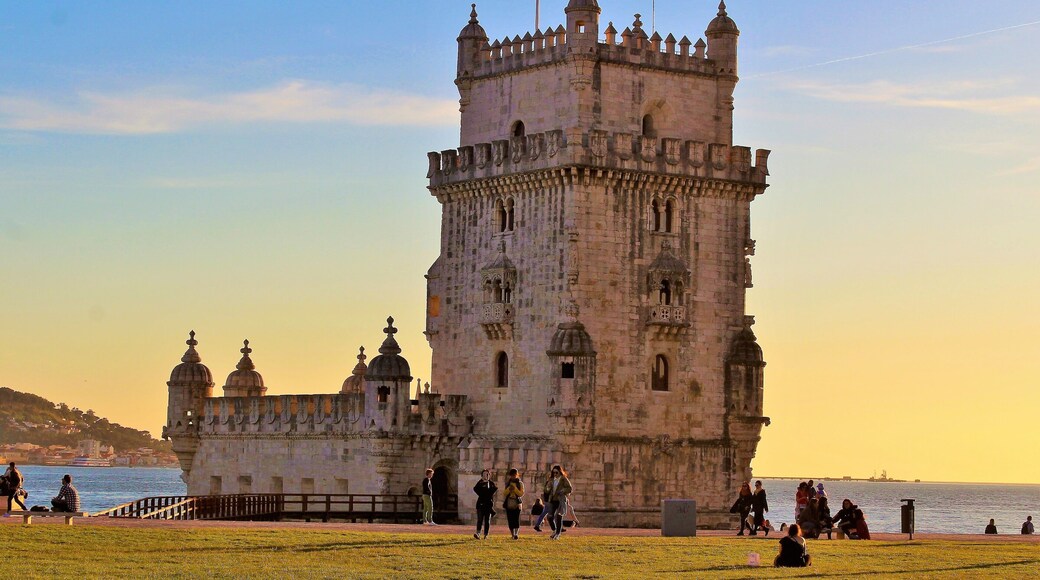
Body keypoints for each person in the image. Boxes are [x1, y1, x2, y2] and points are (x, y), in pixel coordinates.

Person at [547, 464, 572, 540]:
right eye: (553, 472)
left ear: (560, 472)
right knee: (550, 516)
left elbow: (569, 488)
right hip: (553, 500)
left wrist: (563, 491)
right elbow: (548, 488)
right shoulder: (551, 480)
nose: (555, 474)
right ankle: (555, 530)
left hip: (560, 499)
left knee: (559, 516)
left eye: (556, 472)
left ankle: (558, 534)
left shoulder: (563, 479)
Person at [472, 468, 497, 539]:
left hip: (488, 504)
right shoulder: (480, 483)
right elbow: (476, 489)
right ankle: (478, 533)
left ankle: (486, 534)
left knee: (487, 520)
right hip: (481, 504)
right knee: (480, 519)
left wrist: (487, 482)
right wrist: (482, 481)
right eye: (484, 474)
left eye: (487, 474)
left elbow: (493, 490)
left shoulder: (491, 484)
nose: (486, 475)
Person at [502, 468, 525, 540]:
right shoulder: (508, 483)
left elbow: (521, 494)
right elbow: (504, 493)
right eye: (512, 475)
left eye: (514, 475)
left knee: (516, 519)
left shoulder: (520, 483)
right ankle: (512, 534)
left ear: (517, 475)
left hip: (517, 502)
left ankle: (516, 534)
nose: (513, 477)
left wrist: (515, 489)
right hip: (509, 502)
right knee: (510, 519)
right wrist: (509, 489)